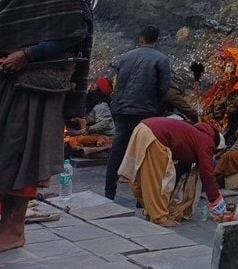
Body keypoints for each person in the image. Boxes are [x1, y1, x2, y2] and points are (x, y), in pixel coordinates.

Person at [0, 0, 92, 253]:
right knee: (6, 153)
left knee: (22, 154)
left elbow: (73, 32)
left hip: (40, 85)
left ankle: (13, 230)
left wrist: (27, 54)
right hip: (15, 81)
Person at [117, 116, 226, 227]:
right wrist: (215, 199)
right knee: (157, 181)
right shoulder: (207, 141)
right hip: (155, 137)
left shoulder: (195, 131)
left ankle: (151, 210)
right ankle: (159, 218)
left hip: (142, 128)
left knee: (140, 176)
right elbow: (207, 173)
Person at [105, 25, 171, 200]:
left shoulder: (125, 57)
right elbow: (164, 88)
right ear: (157, 40)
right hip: (145, 111)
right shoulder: (161, 59)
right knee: (144, 152)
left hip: (121, 109)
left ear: (141, 38)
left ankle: (109, 192)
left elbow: (116, 82)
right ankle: (142, 199)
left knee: (117, 150)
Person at [66, 77, 116, 153]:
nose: (91, 87)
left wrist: (83, 131)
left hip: (106, 137)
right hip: (95, 134)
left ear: (99, 91)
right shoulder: (93, 104)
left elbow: (103, 124)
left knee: (79, 139)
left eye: (94, 86)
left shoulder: (101, 106)